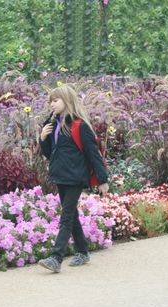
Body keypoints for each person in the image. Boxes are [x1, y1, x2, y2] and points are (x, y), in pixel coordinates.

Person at [38, 84, 109, 273]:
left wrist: (103, 180)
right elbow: (50, 154)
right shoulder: (52, 125)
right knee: (72, 214)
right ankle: (82, 251)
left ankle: (56, 257)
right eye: (50, 101)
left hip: (76, 177)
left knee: (66, 215)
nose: (52, 104)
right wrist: (43, 139)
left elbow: (94, 155)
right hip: (60, 176)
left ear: (67, 101)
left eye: (56, 100)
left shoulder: (80, 126)